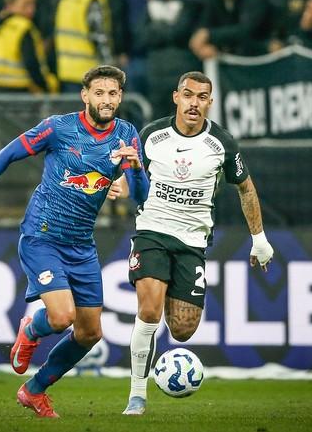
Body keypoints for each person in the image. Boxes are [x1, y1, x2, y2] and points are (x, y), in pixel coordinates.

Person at [0, 65, 149, 419]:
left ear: (120, 97)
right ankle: (32, 328)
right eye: (99, 93)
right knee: (62, 318)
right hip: (42, 236)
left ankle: (34, 390)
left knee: (90, 334)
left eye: (113, 94)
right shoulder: (59, 128)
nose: (106, 100)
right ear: (85, 95)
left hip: (81, 245)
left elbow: (140, 195)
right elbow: (9, 153)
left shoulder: (126, 134)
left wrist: (135, 168)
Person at [110, 71, 274, 415]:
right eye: (188, 95)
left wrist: (259, 238)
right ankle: (137, 395)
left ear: (210, 103)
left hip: (193, 242)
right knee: (150, 309)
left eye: (202, 97)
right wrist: (122, 187)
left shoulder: (223, 144)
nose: (194, 103)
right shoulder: (152, 135)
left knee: (183, 330)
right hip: (152, 232)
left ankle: (168, 287)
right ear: (176, 98)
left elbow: (246, 188)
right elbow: (133, 175)